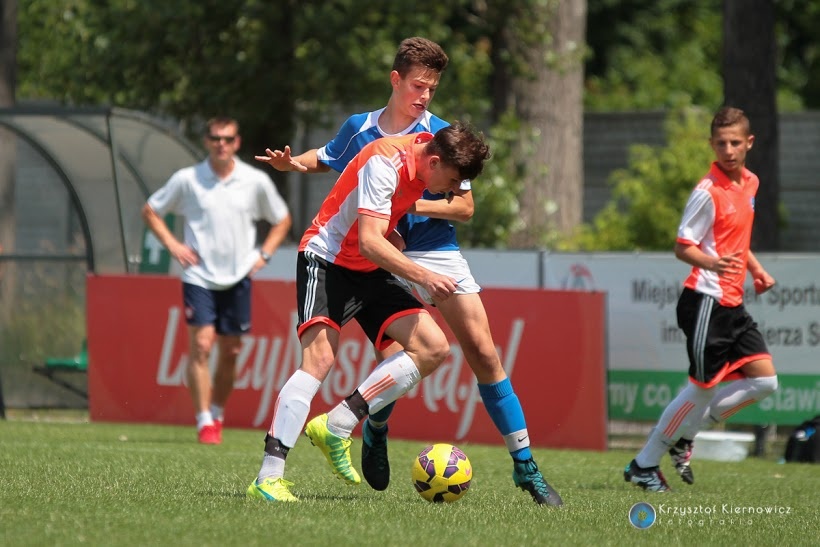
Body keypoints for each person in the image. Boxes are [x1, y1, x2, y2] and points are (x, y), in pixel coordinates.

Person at [255, 36, 562, 506]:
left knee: (479, 351)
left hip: (428, 249)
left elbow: (464, 206)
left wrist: (403, 205)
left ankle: (525, 466)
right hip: (364, 250)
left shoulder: (440, 138)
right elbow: (331, 157)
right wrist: (294, 163)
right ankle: (355, 431)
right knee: (383, 354)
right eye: (419, 86)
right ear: (396, 80)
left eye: (432, 88)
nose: (425, 95)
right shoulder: (363, 131)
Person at [246, 122, 490, 502]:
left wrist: (399, 239)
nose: (452, 191)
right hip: (327, 259)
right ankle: (268, 477)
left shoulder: (425, 159)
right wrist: (425, 276)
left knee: (432, 347)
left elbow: (383, 230)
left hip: (368, 268)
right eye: (454, 180)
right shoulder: (384, 162)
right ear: (435, 162)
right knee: (319, 359)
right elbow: (370, 241)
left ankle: (338, 424)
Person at [624, 106, 779, 491]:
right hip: (705, 301)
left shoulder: (751, 183)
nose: (728, 150)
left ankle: (686, 435)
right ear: (712, 144)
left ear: (749, 143)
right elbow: (683, 247)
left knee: (765, 382)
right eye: (721, 143)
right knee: (702, 387)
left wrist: (756, 269)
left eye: (735, 142)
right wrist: (713, 263)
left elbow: (736, 240)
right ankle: (644, 464)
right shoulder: (706, 192)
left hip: (732, 303)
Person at [142, 116, 292, 445]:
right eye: (215, 138)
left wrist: (264, 255)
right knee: (201, 344)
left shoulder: (254, 180)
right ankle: (204, 421)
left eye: (227, 139)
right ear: (207, 141)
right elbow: (151, 210)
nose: (221, 144)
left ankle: (217, 412)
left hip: (238, 276)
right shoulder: (188, 179)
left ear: (236, 143)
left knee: (232, 351)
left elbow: (282, 219)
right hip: (199, 276)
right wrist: (173, 245)